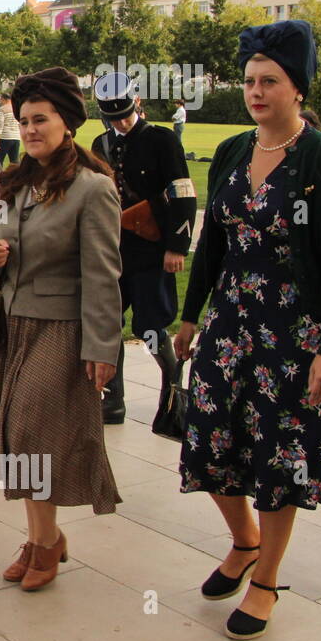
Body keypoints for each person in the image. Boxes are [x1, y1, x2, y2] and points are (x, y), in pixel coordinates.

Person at [174, 19, 321, 640]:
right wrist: (190, 316)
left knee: (280, 457)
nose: (255, 90)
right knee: (207, 439)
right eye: (249, 80)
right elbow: (212, 245)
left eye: (269, 81)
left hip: (293, 337)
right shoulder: (231, 151)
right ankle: (242, 539)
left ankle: (267, 578)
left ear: (296, 88)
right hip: (228, 325)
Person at [0, 66, 123, 591]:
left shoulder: (93, 189)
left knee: (32, 436)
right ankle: (43, 540)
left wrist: (104, 348)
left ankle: (46, 541)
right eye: (24, 120)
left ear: (68, 124)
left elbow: (103, 276)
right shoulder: (15, 182)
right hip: (12, 329)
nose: (31, 129)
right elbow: (3, 252)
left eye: (41, 119)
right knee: (16, 438)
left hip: (60, 330)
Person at [90, 72, 197, 426]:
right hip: (114, 250)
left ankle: (172, 387)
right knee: (109, 323)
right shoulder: (100, 145)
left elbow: (182, 193)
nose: (120, 122)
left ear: (137, 102)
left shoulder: (161, 140)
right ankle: (113, 398)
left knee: (151, 326)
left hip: (151, 249)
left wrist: (177, 245)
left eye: (124, 113)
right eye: (113, 116)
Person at [0, 93, 21, 165]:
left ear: (4, 99)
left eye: (1, 100)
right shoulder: (16, 109)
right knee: (14, 162)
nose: (0, 102)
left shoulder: (2, 109)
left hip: (5, 138)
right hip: (16, 138)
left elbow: (0, 125)